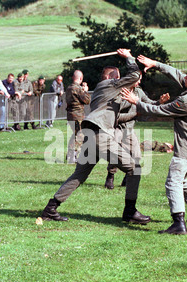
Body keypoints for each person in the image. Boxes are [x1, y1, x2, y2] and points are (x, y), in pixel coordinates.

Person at [42, 49, 150, 225]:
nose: (120, 80)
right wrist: (128, 57)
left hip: (92, 134)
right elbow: (134, 74)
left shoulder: (107, 92)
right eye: (118, 77)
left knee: (79, 175)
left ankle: (50, 208)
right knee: (134, 168)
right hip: (100, 136)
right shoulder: (108, 85)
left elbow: (124, 107)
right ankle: (130, 212)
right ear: (110, 78)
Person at [121, 56, 187, 235]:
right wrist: (156, 64)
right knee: (183, 180)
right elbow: (177, 74)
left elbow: (160, 110)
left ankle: (178, 223)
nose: (183, 77)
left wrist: (136, 102)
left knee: (173, 182)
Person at [105, 78, 170, 189]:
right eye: (137, 80)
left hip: (129, 128)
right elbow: (115, 114)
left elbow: (149, 103)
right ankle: (110, 176)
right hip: (117, 127)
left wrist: (159, 102)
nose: (139, 82)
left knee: (136, 155)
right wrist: (135, 112)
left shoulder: (138, 91)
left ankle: (127, 177)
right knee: (115, 154)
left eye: (140, 79)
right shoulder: (119, 91)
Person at [65, 70, 91, 163]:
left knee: (75, 135)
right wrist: (85, 91)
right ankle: (73, 156)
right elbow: (87, 100)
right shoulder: (77, 89)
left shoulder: (69, 88)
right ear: (81, 78)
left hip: (70, 115)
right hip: (77, 116)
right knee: (80, 136)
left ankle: (70, 155)